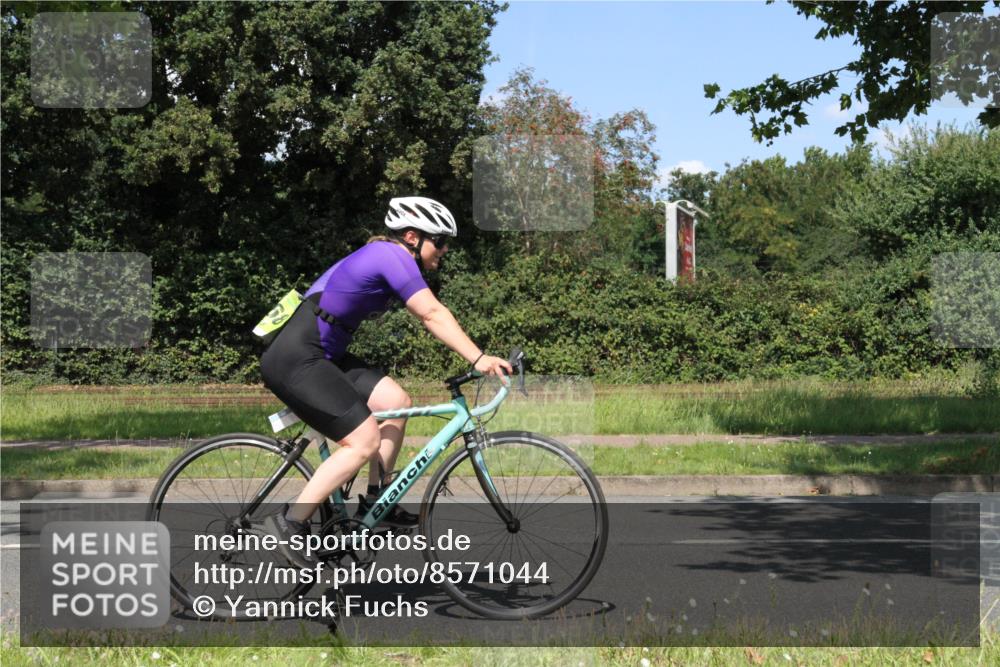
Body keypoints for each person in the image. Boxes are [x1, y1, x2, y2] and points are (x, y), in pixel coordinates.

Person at [259, 196, 512, 569]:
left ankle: (378, 502)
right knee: (363, 441)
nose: (444, 250)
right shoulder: (388, 256)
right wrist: (478, 357)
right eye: (440, 241)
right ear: (412, 236)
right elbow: (431, 313)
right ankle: (291, 521)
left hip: (324, 355)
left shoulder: (388, 258)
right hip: (298, 356)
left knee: (396, 400)